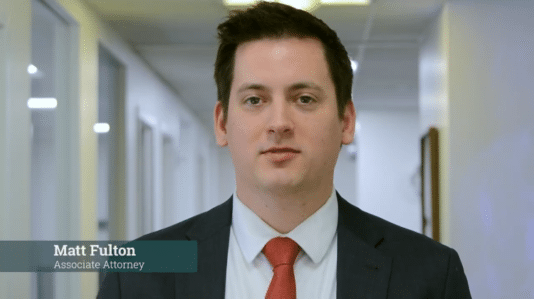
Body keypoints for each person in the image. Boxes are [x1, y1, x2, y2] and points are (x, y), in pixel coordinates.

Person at [98, 2, 471, 298]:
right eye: (255, 99)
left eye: (304, 98)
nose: (279, 123)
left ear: (346, 121)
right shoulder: (138, 275)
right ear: (222, 123)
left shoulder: (430, 275)